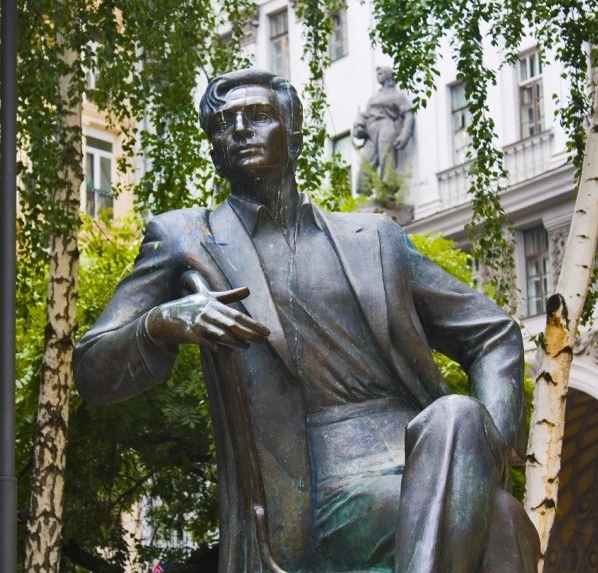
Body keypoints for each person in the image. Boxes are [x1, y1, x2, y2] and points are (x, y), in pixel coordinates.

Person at [74, 69, 539, 573]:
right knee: (503, 521)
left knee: (463, 425)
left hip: (425, 450)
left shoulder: (376, 240)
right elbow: (93, 368)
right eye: (224, 124)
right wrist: (163, 322)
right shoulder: (185, 237)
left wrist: (485, 450)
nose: (239, 130)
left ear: (294, 137)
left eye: (258, 116)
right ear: (214, 150)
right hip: (316, 486)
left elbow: (493, 333)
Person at [352, 66, 414, 190]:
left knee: (387, 158)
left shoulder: (396, 96)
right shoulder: (374, 97)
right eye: (377, 73)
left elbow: (409, 114)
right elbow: (366, 115)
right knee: (366, 163)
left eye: (380, 73)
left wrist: (405, 134)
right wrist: (359, 125)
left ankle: (388, 191)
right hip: (371, 131)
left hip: (386, 127)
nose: (377, 75)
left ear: (388, 75)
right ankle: (364, 192)